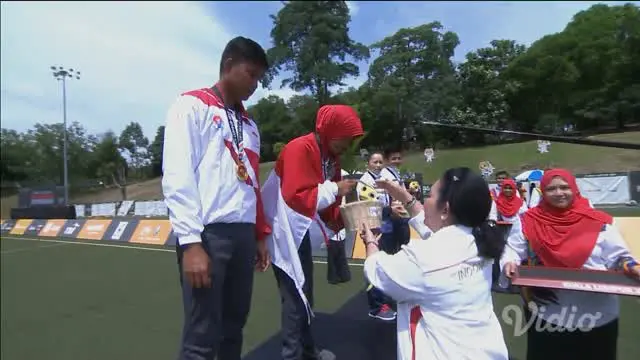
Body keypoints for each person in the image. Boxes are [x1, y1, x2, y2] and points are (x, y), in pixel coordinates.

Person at [162, 36, 272, 360]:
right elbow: (177, 176)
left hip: (243, 236)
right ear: (228, 66)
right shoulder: (190, 105)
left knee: (233, 328)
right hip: (208, 235)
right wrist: (191, 242)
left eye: (259, 78)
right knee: (201, 335)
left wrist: (260, 235)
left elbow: (252, 183)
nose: (256, 85)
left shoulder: (250, 125)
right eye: (251, 74)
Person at [362, 167, 509, 360]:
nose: (424, 202)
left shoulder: (423, 258)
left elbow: (377, 270)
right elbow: (431, 226)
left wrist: (371, 242)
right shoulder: (480, 239)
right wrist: (402, 194)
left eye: (429, 196)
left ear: (446, 209)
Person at [501, 168, 640, 360]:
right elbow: (514, 249)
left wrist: (632, 267)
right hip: (547, 313)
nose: (559, 193)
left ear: (574, 189)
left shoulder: (599, 221)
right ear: (543, 191)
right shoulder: (528, 221)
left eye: (564, 187)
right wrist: (510, 262)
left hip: (597, 315)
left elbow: (620, 256)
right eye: (551, 189)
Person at [262, 104, 363, 360]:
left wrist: (342, 220)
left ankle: (306, 349)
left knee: (305, 293)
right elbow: (295, 197)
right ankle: (292, 354)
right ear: (330, 130)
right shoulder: (299, 148)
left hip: (298, 228)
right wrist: (335, 190)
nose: (348, 144)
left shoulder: (331, 157)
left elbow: (328, 205)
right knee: (294, 297)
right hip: (280, 228)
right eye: (345, 137)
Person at [357, 150, 397, 321]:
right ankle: (376, 307)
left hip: (387, 225)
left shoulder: (384, 178)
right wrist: (389, 210)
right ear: (368, 164)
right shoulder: (365, 182)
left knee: (385, 265)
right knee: (374, 266)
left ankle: (385, 299)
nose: (379, 165)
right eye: (375, 162)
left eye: (381, 162)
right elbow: (369, 208)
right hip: (372, 228)